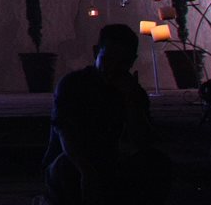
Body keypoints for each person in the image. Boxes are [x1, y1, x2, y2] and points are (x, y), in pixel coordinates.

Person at [42, 23, 171, 205]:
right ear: (96, 52)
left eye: (122, 63)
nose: (112, 69)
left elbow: (142, 139)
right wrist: (87, 173)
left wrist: (130, 100)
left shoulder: (131, 91)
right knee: (67, 169)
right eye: (108, 60)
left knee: (156, 163)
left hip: (111, 159)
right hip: (73, 159)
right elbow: (66, 137)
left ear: (131, 61)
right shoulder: (73, 85)